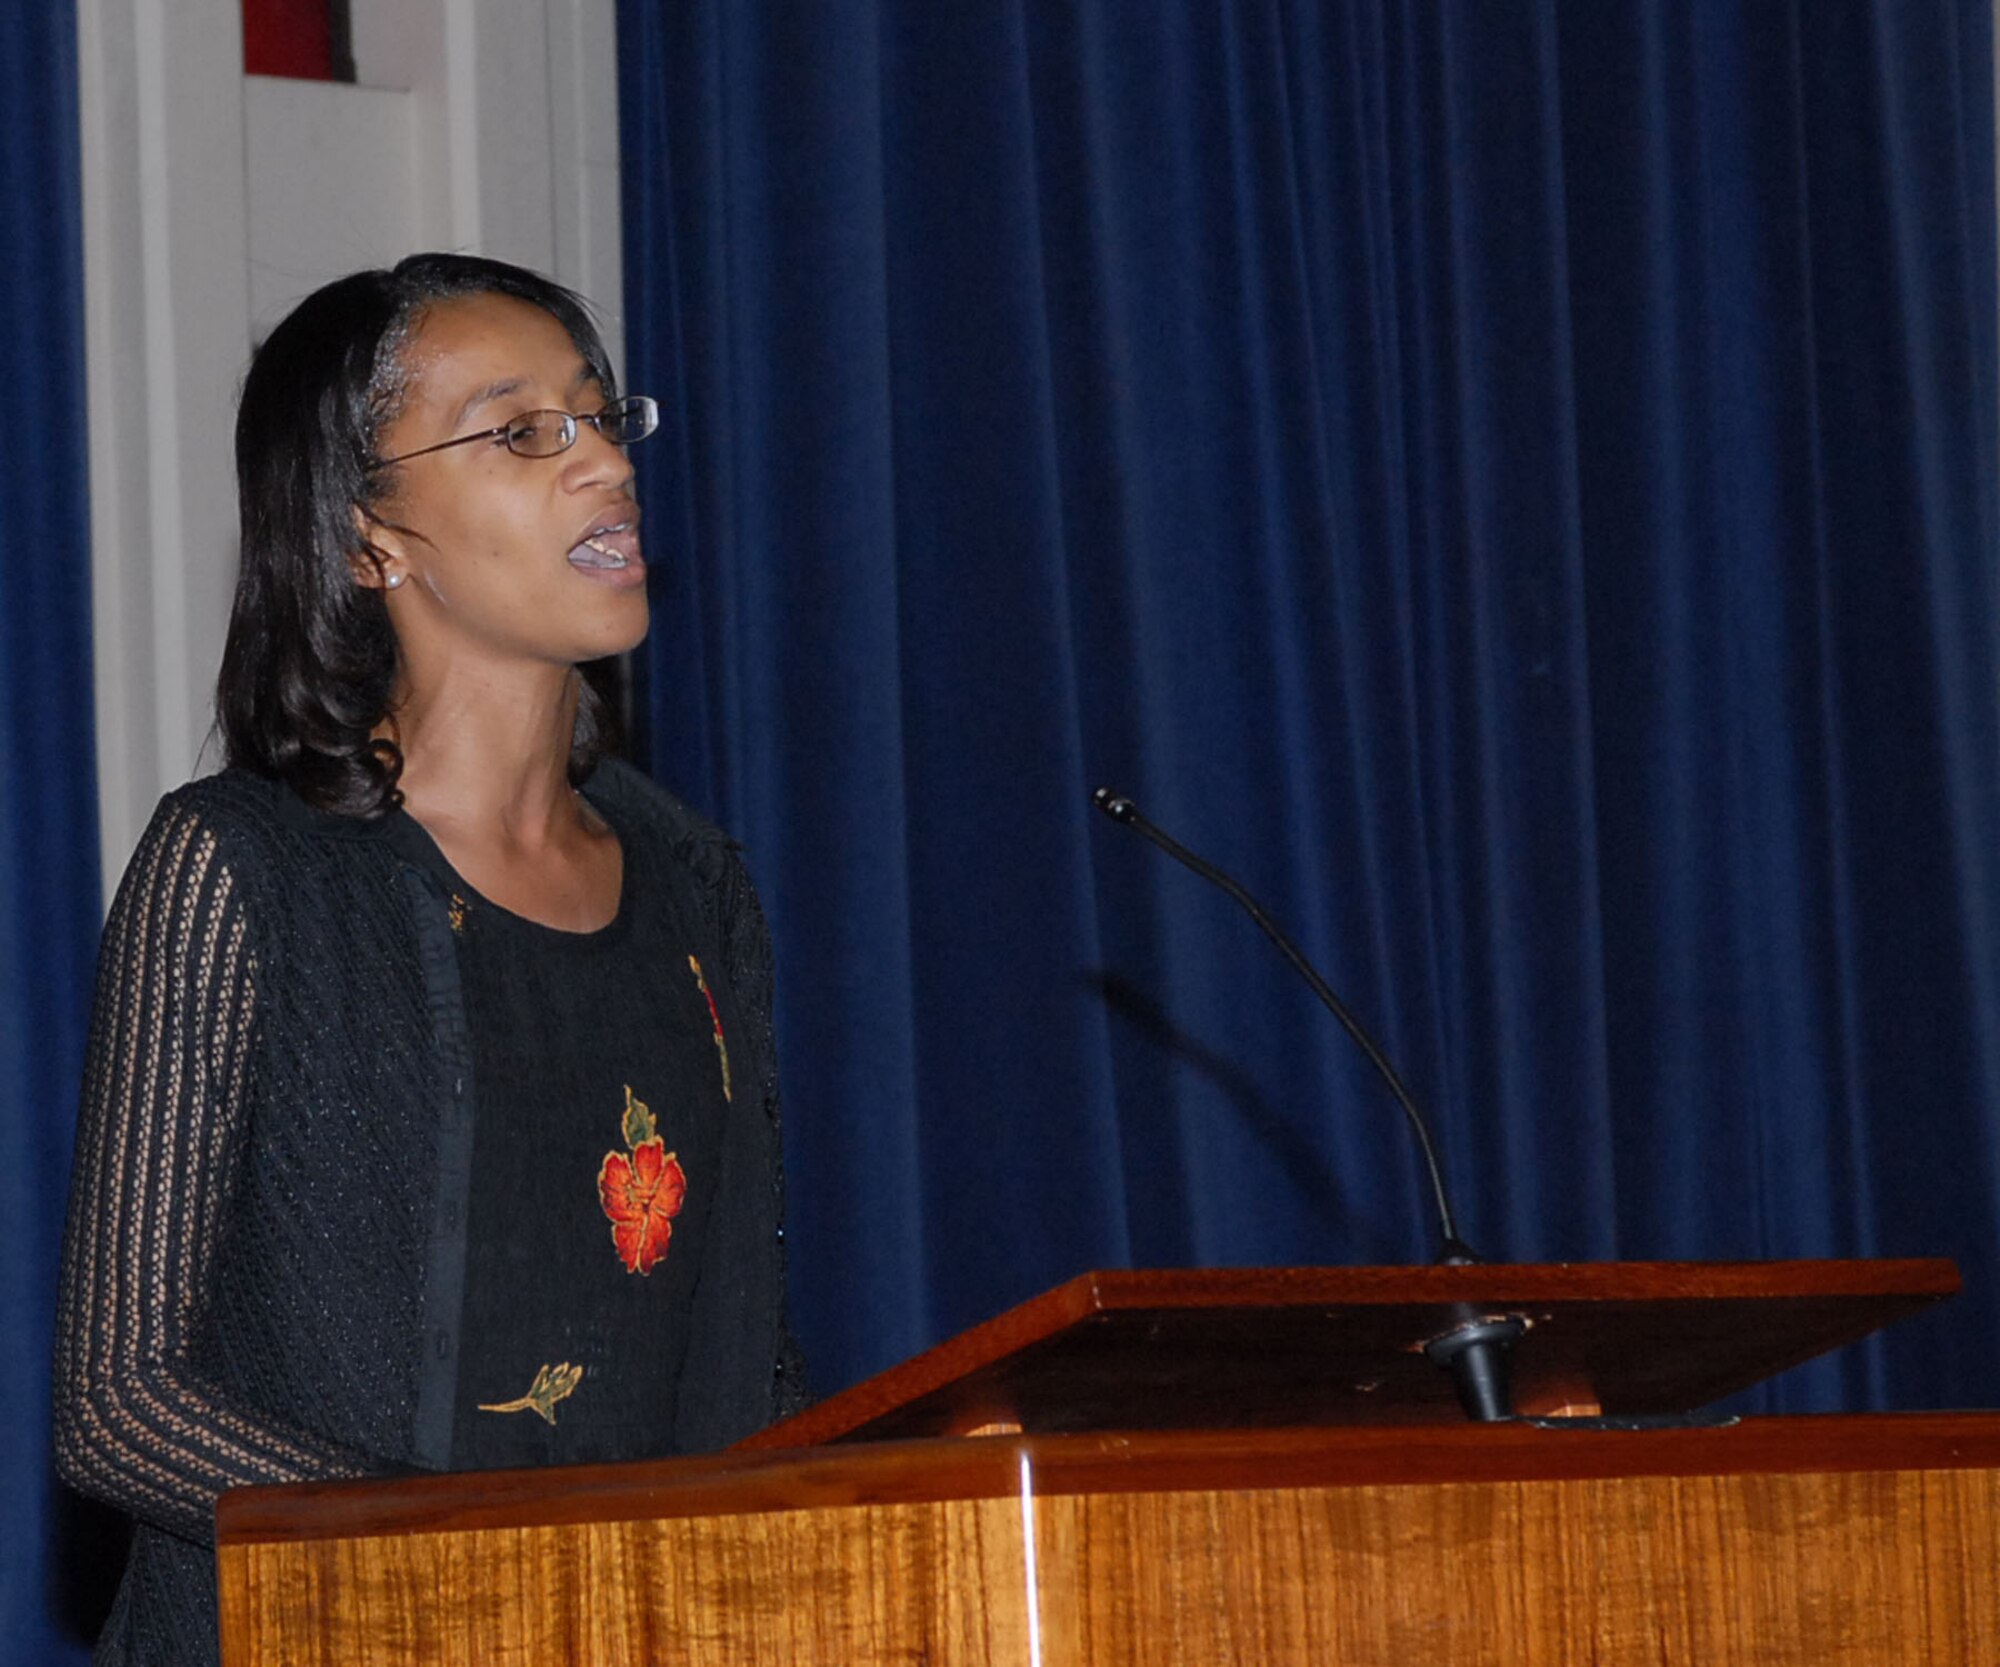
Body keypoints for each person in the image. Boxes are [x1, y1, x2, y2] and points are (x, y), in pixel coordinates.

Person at [51, 253, 805, 1667]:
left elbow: (741, 1366)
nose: (603, 464)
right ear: (365, 539)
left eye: (600, 416)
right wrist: (478, 1559)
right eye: (522, 432)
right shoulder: (246, 869)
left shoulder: (699, 883)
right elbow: (120, 1404)